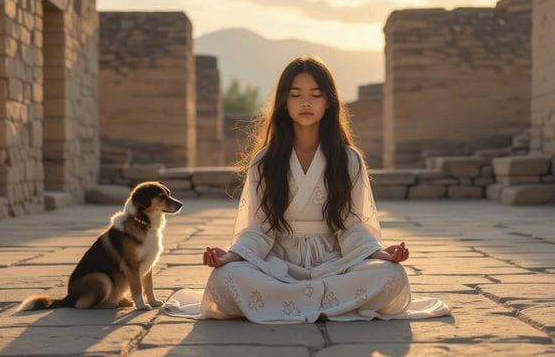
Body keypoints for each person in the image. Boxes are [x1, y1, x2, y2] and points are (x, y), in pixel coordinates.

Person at [162, 56, 448, 323]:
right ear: (284, 103)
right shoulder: (265, 160)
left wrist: (381, 254)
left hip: (335, 263)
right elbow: (260, 228)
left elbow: (353, 227)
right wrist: (231, 257)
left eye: (316, 94)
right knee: (224, 279)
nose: (306, 102)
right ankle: (326, 303)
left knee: (392, 275)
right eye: (296, 94)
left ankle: (289, 305)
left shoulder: (348, 159)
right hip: (278, 264)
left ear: (329, 102)